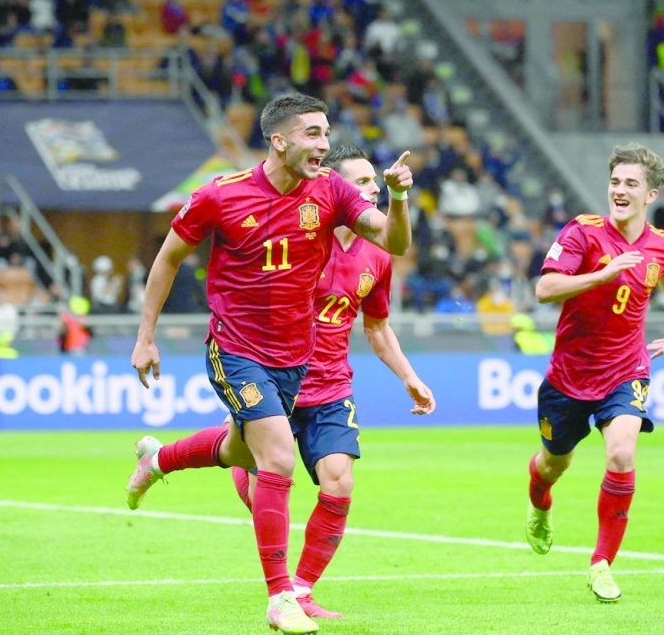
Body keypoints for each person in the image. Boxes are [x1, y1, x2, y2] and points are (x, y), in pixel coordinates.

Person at [125, 94, 412, 635]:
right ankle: (283, 597)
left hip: (295, 355)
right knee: (277, 456)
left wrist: (397, 199)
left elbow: (391, 241)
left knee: (242, 449)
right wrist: (146, 337)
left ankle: (158, 460)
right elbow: (167, 258)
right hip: (235, 348)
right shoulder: (220, 196)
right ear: (279, 141)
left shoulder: (330, 190)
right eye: (312, 134)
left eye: (326, 134)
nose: (323, 145)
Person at [229, 145, 436, 620]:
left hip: (330, 387)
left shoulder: (378, 256)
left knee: (339, 482)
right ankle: (167, 459)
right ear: (335, 189)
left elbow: (377, 327)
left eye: (372, 183)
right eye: (361, 183)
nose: (371, 191)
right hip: (277, 377)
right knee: (251, 472)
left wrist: (410, 376)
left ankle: (300, 591)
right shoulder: (299, 235)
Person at [525, 143, 664, 603]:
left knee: (621, 454)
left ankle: (601, 563)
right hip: (568, 377)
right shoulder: (582, 232)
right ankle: (539, 505)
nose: (619, 190)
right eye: (615, 181)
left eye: (631, 183)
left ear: (650, 195)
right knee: (554, 463)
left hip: (626, 370)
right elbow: (544, 288)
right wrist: (603, 274)